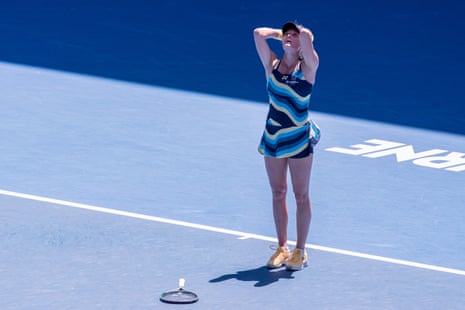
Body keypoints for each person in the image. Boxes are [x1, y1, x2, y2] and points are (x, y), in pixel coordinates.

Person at [253, 21, 319, 271]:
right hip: (273, 137)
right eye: (286, 35)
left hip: (299, 138)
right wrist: (281, 34)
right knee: (278, 191)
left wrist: (303, 37)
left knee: (301, 194)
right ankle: (282, 248)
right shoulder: (271, 65)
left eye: (294, 35)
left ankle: (300, 251)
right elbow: (258, 34)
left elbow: (309, 46)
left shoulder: (308, 67)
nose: (288, 38)